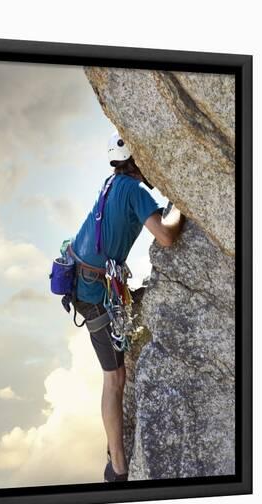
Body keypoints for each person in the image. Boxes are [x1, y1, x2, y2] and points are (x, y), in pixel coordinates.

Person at [70, 131, 185, 482]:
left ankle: (115, 455)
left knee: (116, 374)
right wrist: (182, 204)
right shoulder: (135, 191)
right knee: (115, 377)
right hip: (93, 293)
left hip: (85, 281)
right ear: (137, 159)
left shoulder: (111, 184)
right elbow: (166, 237)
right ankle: (118, 468)